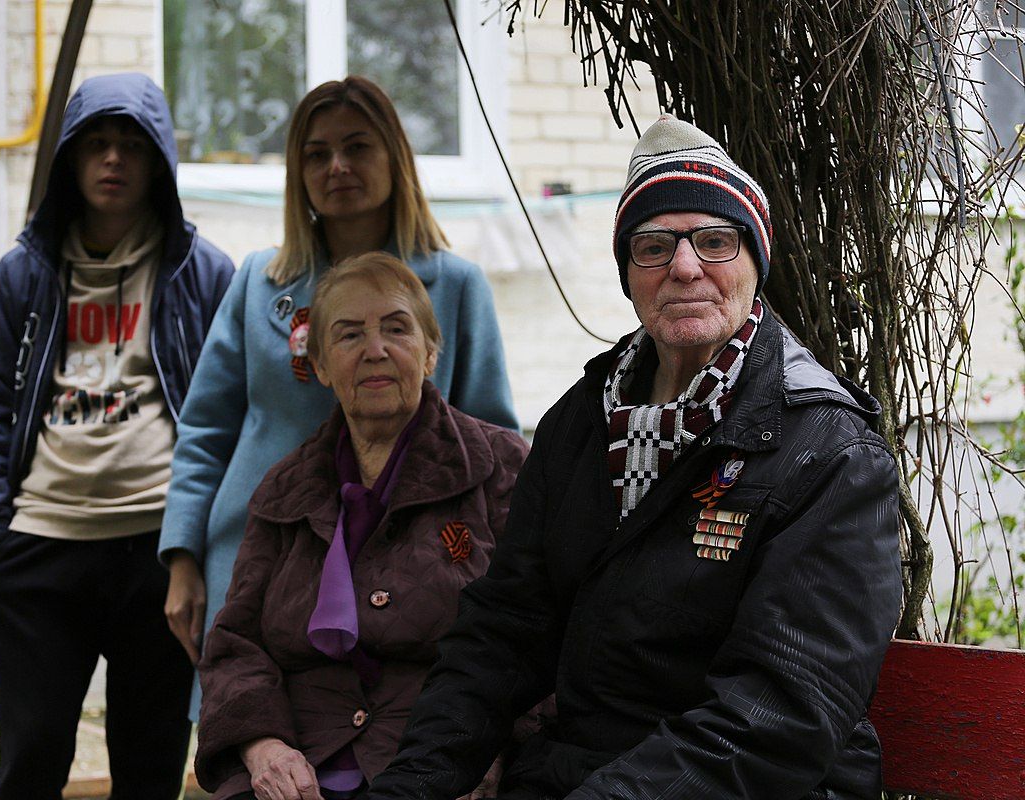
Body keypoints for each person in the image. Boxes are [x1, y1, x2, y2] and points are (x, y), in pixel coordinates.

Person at [365, 116, 904, 800]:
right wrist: (414, 784)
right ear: (629, 274)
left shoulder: (828, 448)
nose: (685, 267)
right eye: (653, 247)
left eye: (715, 241)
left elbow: (781, 715)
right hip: (582, 772)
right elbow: (502, 634)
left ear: (754, 265)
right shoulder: (582, 420)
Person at [159, 76, 518, 716]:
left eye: (358, 146)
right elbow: (206, 430)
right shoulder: (257, 282)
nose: (338, 167)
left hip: (411, 569)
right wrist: (183, 557)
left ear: (395, 158)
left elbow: (488, 440)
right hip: (255, 559)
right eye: (316, 154)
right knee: (254, 740)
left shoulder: (456, 286)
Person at [0, 73, 234, 800]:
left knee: (150, 764)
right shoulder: (25, 272)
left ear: (159, 164)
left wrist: (201, 541)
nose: (113, 160)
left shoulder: (202, 272)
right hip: (39, 550)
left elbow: (228, 408)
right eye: (97, 145)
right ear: (70, 162)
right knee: (33, 755)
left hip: (160, 554)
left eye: (131, 146)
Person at [193, 253, 529, 800]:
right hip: (300, 760)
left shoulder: (501, 468)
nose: (376, 350)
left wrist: (486, 749)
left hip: (442, 754)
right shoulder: (285, 488)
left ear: (430, 352)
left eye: (397, 328)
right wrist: (263, 746)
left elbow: (544, 629)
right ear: (321, 366)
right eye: (349, 336)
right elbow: (235, 644)